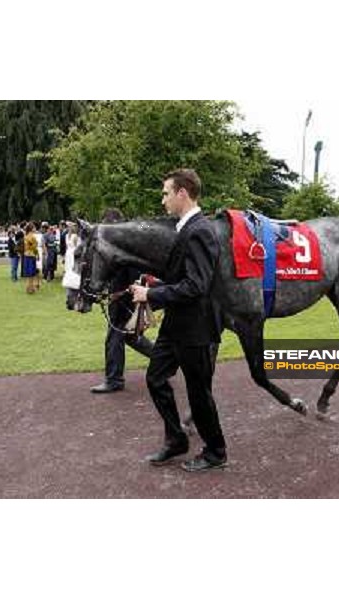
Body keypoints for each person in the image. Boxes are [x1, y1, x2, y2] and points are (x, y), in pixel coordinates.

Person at [130, 169, 227, 473]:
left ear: (182, 193)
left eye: (166, 193)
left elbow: (196, 286)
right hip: (177, 325)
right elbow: (185, 279)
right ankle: (176, 439)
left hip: (196, 327)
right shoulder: (188, 228)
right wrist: (155, 286)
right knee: (155, 377)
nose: (163, 200)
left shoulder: (200, 230)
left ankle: (216, 452)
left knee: (199, 393)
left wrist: (152, 295)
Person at [91, 208, 154, 394]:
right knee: (130, 337)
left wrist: (121, 293)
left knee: (115, 336)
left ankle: (114, 379)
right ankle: (166, 359)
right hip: (122, 296)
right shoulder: (123, 243)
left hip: (125, 298)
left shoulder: (126, 244)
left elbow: (134, 275)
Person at [22, 222, 40, 293]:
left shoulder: (25, 236)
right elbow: (34, 247)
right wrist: (37, 254)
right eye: (34, 227)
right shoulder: (33, 237)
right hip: (31, 255)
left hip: (26, 255)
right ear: (31, 228)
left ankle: (29, 287)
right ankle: (30, 288)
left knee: (29, 273)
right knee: (31, 273)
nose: (35, 229)